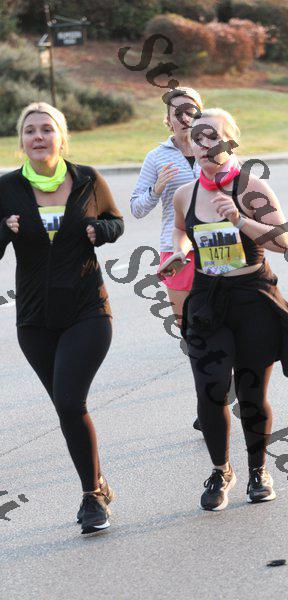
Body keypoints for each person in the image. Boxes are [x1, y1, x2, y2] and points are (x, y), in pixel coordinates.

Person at [0, 102, 124, 535]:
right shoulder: (7, 188)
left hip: (87, 309)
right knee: (66, 408)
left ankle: (91, 497)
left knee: (70, 402)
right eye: (30, 131)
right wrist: (5, 230)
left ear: (62, 137)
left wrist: (102, 231)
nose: (38, 137)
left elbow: (116, 222)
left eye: (46, 129)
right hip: (35, 319)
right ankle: (98, 481)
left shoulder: (88, 180)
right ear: (21, 141)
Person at [158, 108, 288, 511]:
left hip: (252, 298)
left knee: (251, 393)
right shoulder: (186, 193)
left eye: (212, 136)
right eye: (196, 137)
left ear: (231, 140)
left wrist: (241, 220)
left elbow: (283, 241)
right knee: (210, 388)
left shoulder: (252, 189)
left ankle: (257, 471)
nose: (204, 144)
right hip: (207, 299)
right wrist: (178, 253)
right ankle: (220, 469)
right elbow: (181, 230)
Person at [130, 86, 204, 431]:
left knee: (224, 323)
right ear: (169, 120)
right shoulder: (157, 157)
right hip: (174, 252)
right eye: (178, 112)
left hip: (215, 247)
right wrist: (157, 188)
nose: (185, 117)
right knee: (190, 332)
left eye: (192, 110)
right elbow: (136, 208)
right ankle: (210, 400)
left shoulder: (215, 148)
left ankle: (217, 394)